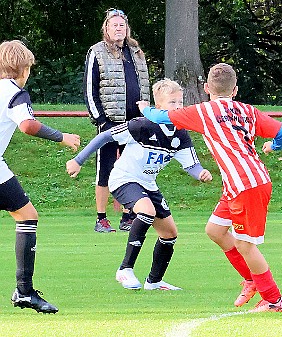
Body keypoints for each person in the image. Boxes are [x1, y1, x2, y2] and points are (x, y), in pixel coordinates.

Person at [138, 63, 282, 313]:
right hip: (241, 183)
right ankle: (251, 280)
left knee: (246, 245)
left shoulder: (204, 111)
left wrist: (145, 108)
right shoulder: (247, 110)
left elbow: (160, 117)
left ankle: (273, 299)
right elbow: (281, 131)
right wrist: (274, 147)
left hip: (246, 185)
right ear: (235, 90)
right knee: (215, 230)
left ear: (207, 88)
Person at [67, 79, 212, 290]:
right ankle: (125, 269)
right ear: (159, 106)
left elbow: (191, 165)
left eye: (180, 102)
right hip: (123, 179)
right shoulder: (143, 125)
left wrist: (201, 174)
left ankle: (154, 281)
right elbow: (105, 136)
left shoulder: (180, 134)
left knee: (169, 233)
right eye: (172, 103)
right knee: (146, 211)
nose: (178, 107)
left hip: (148, 184)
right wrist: (78, 160)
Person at [0, 40, 80, 313]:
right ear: (23, 68)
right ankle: (24, 292)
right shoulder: (14, 93)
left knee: (26, 215)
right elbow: (28, 125)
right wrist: (63, 137)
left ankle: (24, 291)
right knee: (27, 217)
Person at [84, 8, 150, 233]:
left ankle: (128, 216)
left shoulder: (136, 51)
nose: (118, 28)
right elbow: (90, 88)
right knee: (106, 169)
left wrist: (147, 115)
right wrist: (100, 119)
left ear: (126, 28)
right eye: (114, 25)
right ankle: (101, 218)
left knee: (131, 168)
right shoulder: (97, 51)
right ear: (106, 28)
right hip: (111, 121)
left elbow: (145, 85)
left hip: (136, 121)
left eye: (122, 25)